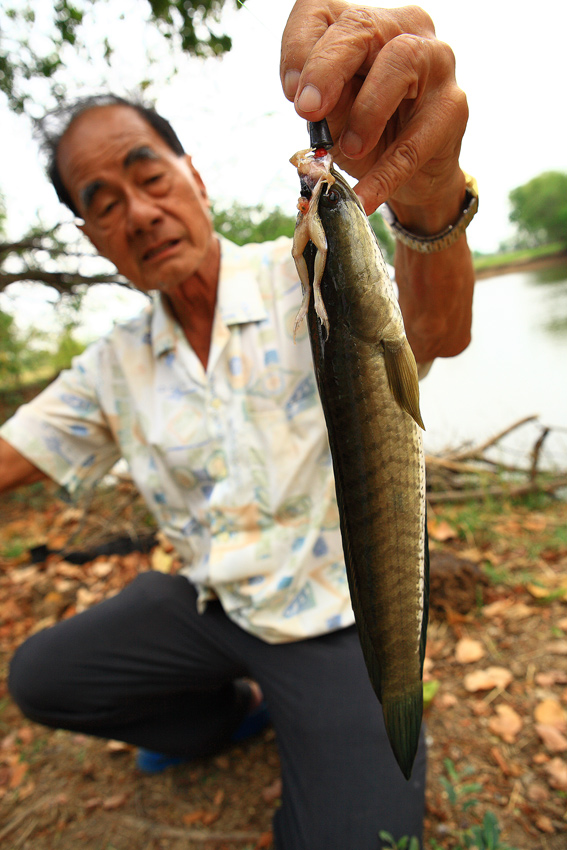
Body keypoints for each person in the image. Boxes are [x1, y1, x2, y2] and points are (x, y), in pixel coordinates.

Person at [0, 2, 475, 847]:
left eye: (148, 176)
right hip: (210, 604)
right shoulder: (111, 366)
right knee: (43, 678)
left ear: (195, 178)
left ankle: (316, 705)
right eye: (102, 202)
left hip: (331, 617)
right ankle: (222, 716)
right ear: (92, 237)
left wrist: (430, 192)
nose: (138, 212)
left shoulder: (306, 279)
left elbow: (434, 333)